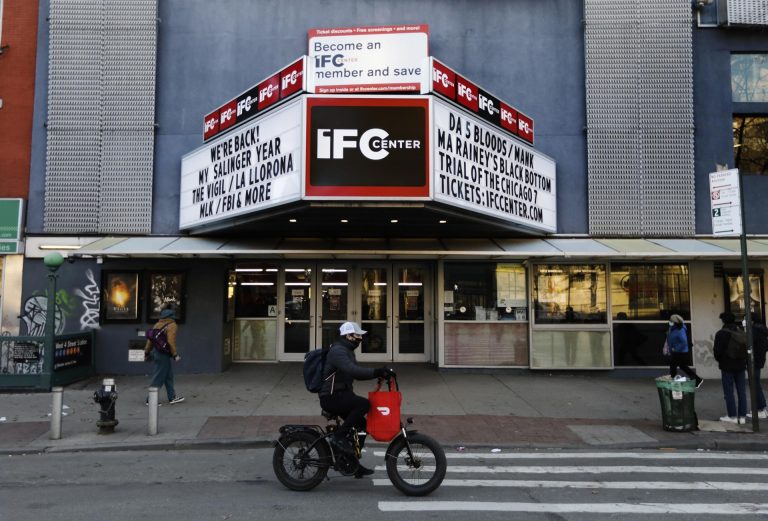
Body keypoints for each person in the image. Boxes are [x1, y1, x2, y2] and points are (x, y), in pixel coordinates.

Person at [319, 321, 391, 478]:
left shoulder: (347, 351)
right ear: (348, 336)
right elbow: (353, 370)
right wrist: (377, 371)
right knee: (364, 404)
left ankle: (352, 463)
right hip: (331, 397)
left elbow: (356, 375)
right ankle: (338, 437)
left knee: (362, 425)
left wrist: (379, 374)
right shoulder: (338, 351)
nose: (360, 339)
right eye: (357, 335)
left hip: (343, 395)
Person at [144, 306, 184, 405]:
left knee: (168, 376)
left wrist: (147, 352)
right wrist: (175, 354)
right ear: (172, 316)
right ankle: (150, 400)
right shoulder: (172, 325)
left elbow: (150, 341)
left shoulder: (157, 324)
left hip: (157, 353)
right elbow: (171, 341)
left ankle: (172, 397)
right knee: (159, 377)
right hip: (163, 354)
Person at [713, 312, 747, 423]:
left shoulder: (721, 334)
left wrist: (721, 360)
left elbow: (717, 352)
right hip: (740, 365)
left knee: (729, 392)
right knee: (742, 391)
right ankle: (742, 417)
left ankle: (732, 416)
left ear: (723, 320)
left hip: (727, 365)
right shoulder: (741, 332)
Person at [667, 314, 703, 388]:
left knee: (673, 366)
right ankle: (697, 380)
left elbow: (684, 342)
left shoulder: (680, 330)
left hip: (679, 352)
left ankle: (672, 381)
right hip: (678, 352)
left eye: (671, 320)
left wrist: (676, 349)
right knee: (682, 366)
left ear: (674, 322)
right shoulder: (674, 329)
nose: (669, 322)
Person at [746, 317, 768, 419]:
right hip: (759, 360)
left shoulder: (754, 331)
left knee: (755, 384)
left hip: (754, 360)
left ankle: (761, 409)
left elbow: (748, 344)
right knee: (756, 384)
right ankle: (761, 408)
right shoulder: (763, 330)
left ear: (752, 320)